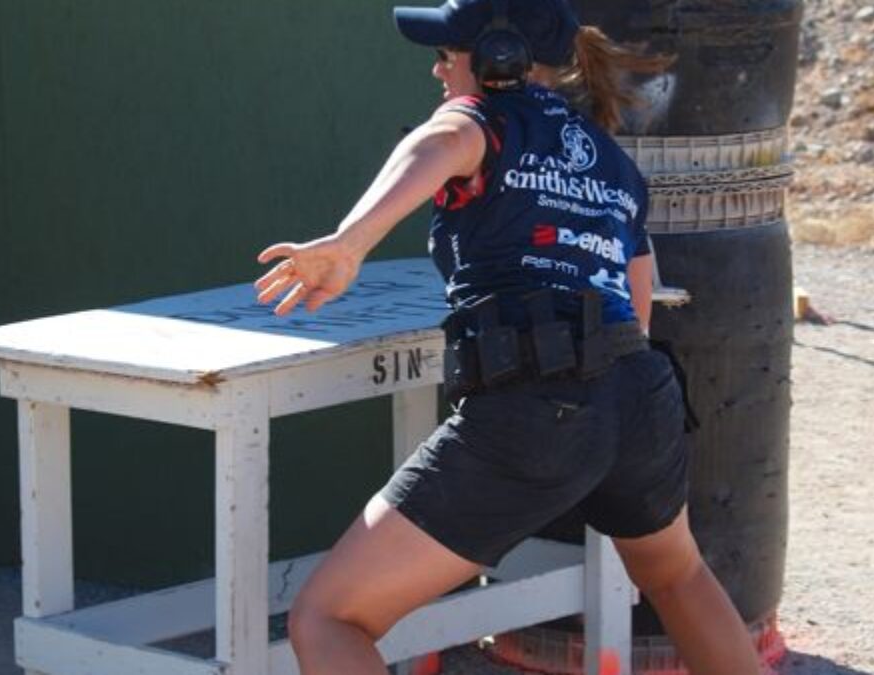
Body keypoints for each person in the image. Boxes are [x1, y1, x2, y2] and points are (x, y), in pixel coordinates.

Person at [253, 0, 763, 673]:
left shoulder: (477, 119)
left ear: (498, 59)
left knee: (327, 616)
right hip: (640, 397)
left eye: (447, 53)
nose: (438, 70)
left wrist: (350, 244)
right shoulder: (611, 160)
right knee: (677, 575)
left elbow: (439, 143)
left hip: (537, 405)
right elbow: (636, 313)